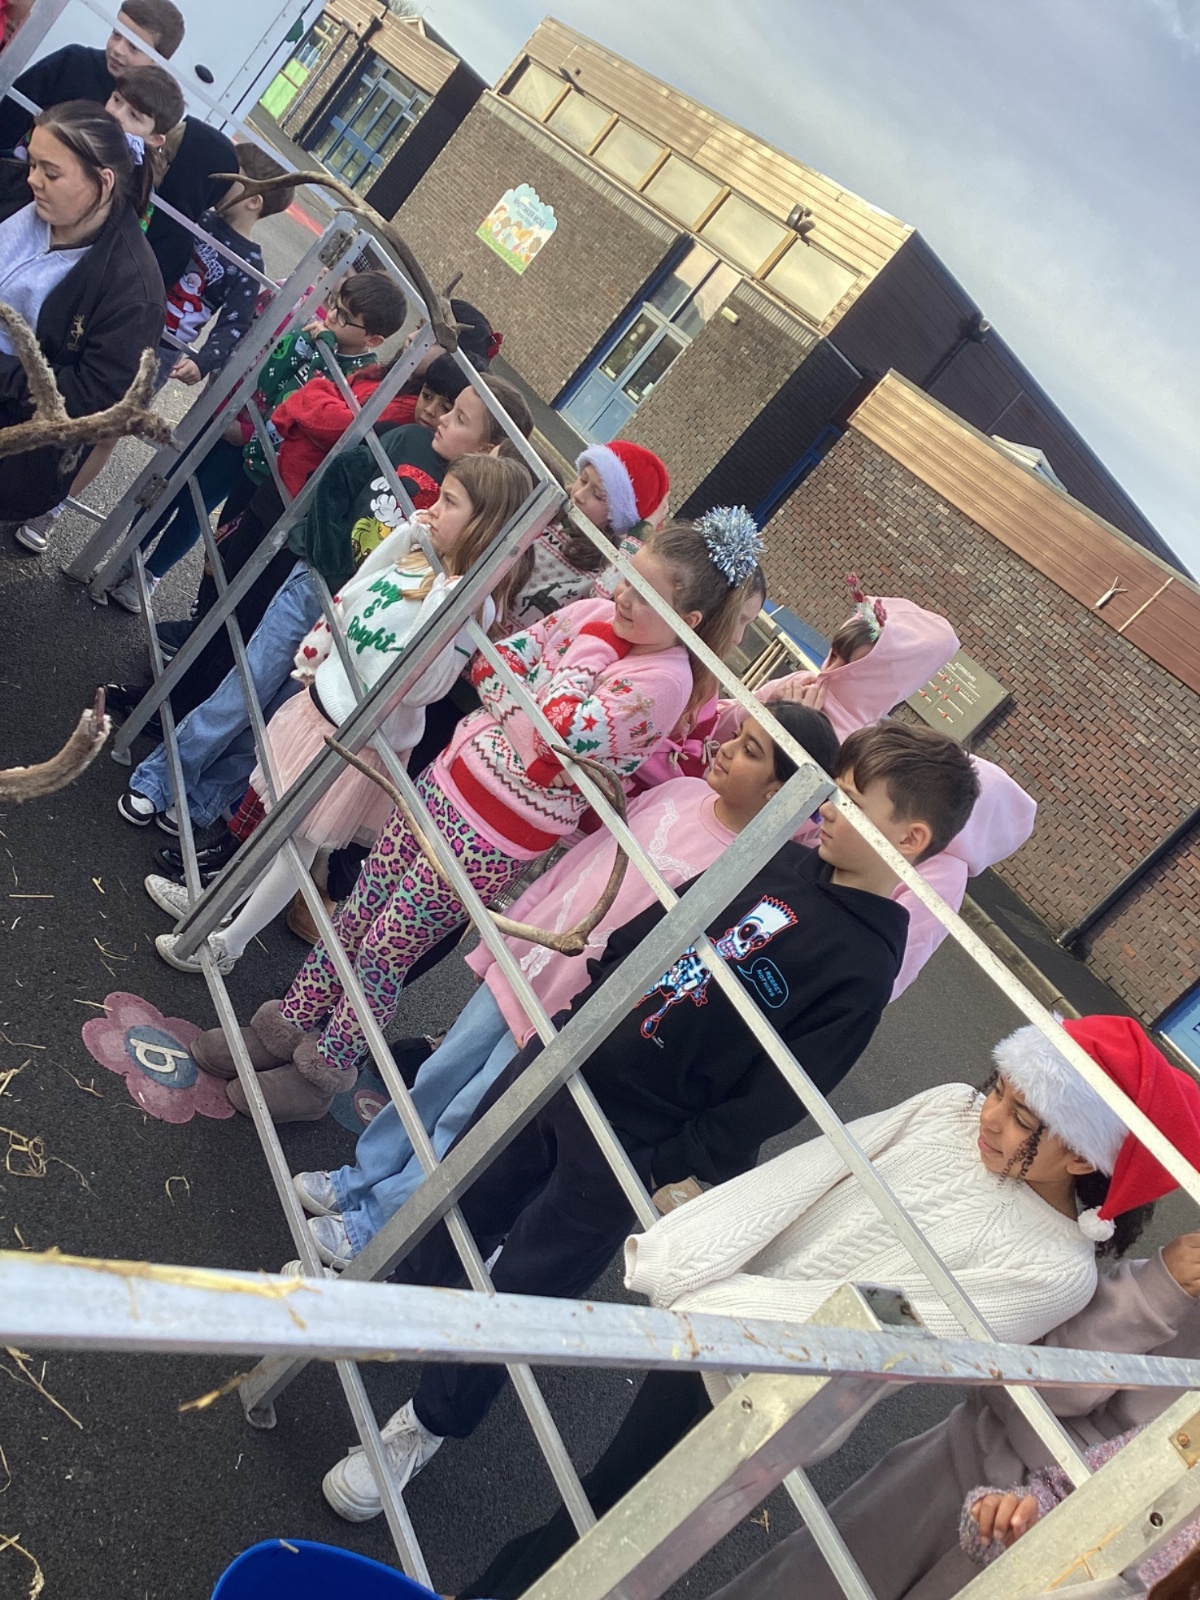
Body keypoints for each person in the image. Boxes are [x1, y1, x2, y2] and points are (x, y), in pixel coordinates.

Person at [291, 717, 976, 1518]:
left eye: (852, 799)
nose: (826, 803)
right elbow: (667, 922)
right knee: (465, 1196)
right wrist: (582, 1011)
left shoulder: (862, 967)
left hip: (636, 1139)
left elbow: (780, 1096)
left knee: (529, 1280)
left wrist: (669, 1160)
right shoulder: (782, 858)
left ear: (910, 837)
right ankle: (389, 1314)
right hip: (572, 1060)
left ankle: (427, 1423)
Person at [457, 1015, 1200, 1596]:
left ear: (1083, 1156)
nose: (992, 1115)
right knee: (604, 1501)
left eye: (1023, 1114)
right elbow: (810, 1172)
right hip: (715, 1311)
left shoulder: (1056, 1271)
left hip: (782, 1389)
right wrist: (690, 1254)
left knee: (619, 1523)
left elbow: (896, 1328)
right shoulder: (949, 1109)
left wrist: (717, 1301)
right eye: (1001, 1088)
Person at [190, 508, 774, 1122]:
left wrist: (572, 667)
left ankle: (322, 1071)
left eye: (645, 595)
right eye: (629, 577)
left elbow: (554, 740)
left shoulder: (662, 680)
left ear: (688, 621)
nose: (623, 597)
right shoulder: (595, 613)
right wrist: (537, 725)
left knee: (387, 948)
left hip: (495, 835)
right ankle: (288, 1023)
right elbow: (495, 666)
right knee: (359, 909)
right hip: (445, 782)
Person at [291, 701, 841, 1266]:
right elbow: (585, 862)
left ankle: (378, 1225)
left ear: (782, 792)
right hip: (531, 959)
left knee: (472, 1116)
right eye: (738, 735)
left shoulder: (754, 877)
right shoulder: (680, 793)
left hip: (572, 1009)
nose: (725, 748)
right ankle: (361, 1179)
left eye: (750, 751)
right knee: (438, 1076)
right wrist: (516, 927)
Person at [151, 455, 535, 974]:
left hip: (359, 737)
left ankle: (229, 944)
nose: (433, 509)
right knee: (276, 824)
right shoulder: (422, 558)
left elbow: (424, 686)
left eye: (450, 502)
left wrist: (445, 603)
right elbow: (354, 593)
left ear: (484, 524)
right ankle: (212, 909)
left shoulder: (473, 606)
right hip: (324, 707)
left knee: (299, 844)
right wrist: (401, 541)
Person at [116, 376, 534, 834]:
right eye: (449, 408)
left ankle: (203, 798)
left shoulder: (474, 508)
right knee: (245, 686)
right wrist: (327, 553)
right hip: (315, 588)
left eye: (460, 418)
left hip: (358, 626)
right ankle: (160, 778)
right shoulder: (407, 439)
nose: (441, 416)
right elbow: (340, 477)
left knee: (279, 713)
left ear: (491, 448)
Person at [0, 100, 164, 534]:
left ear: (103, 182)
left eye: (51, 173)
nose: (33, 178)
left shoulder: (133, 290)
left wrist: (5, 375)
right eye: (33, 162)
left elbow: (93, 398)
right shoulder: (11, 187)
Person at [0, 1, 237, 294]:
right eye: (116, 34)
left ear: (160, 60)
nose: (118, 49)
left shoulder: (145, 146)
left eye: (134, 47)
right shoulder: (73, 62)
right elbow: (10, 115)